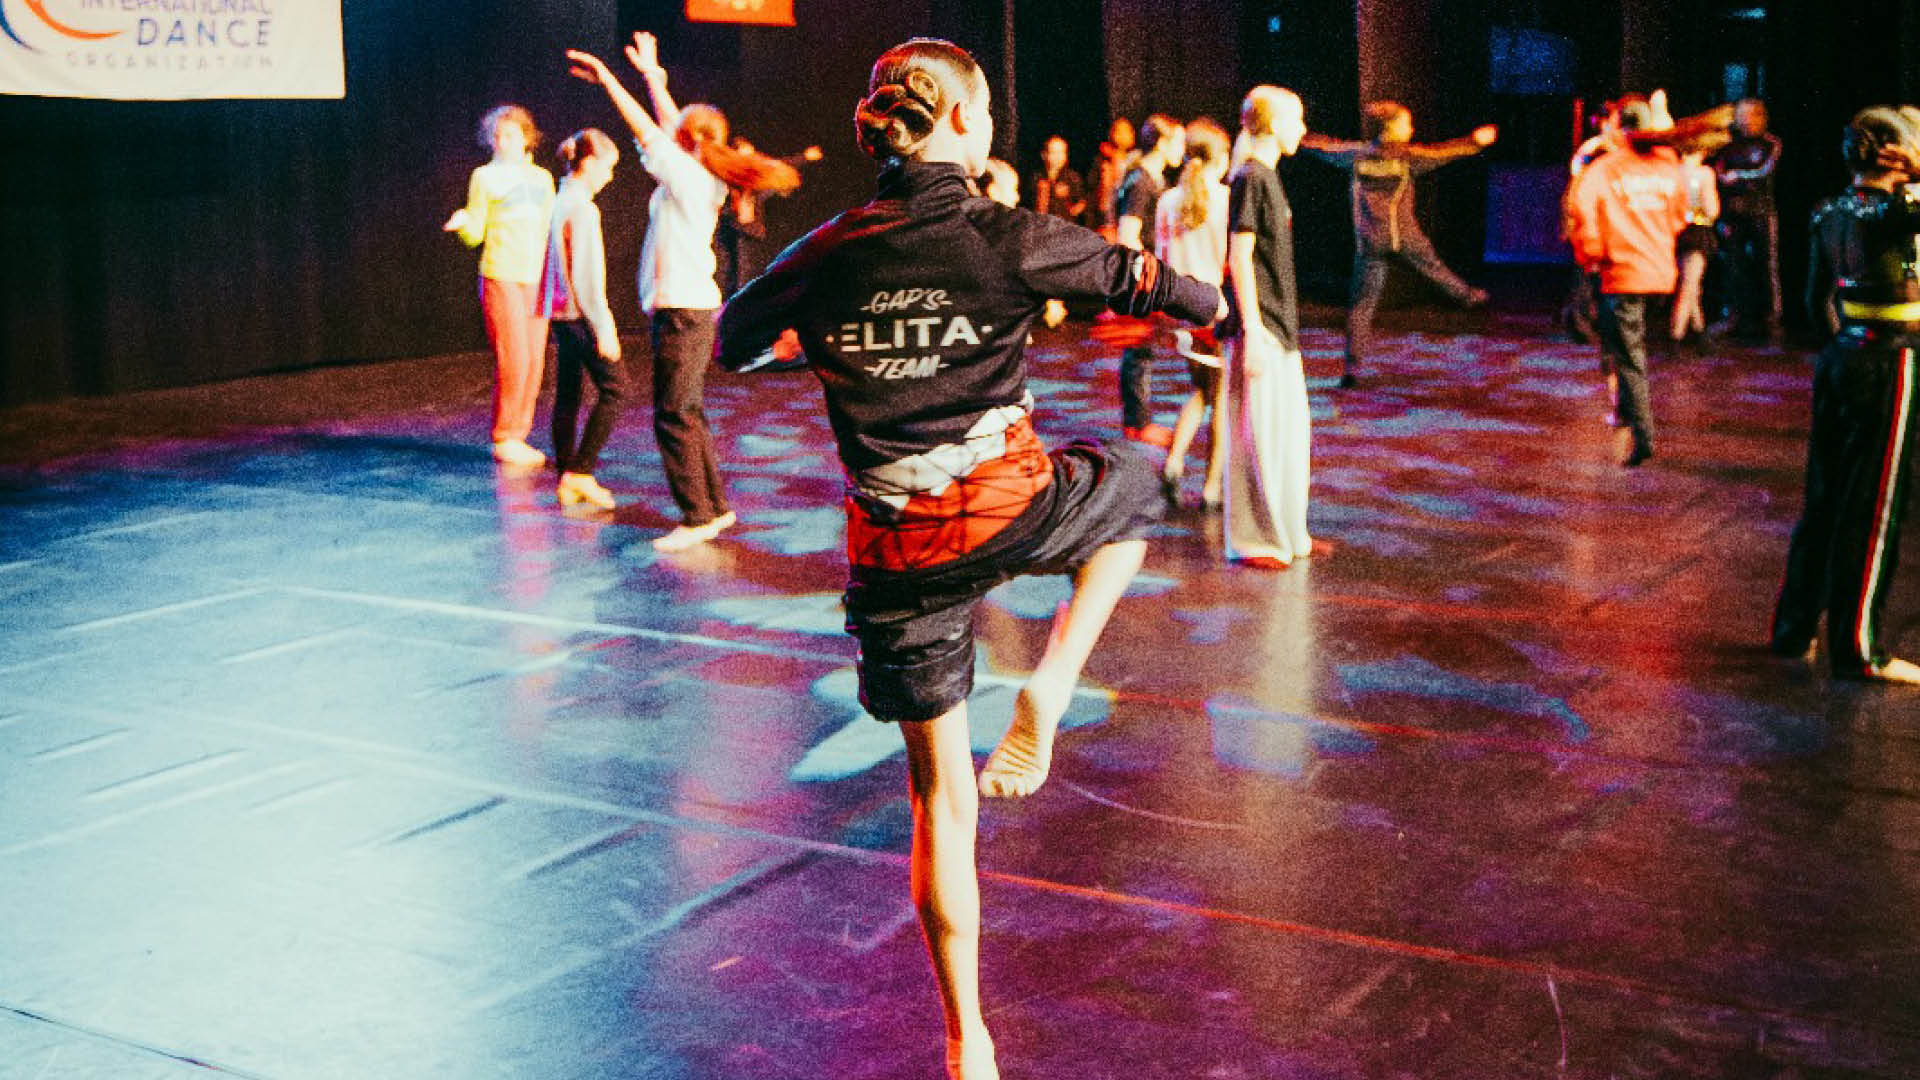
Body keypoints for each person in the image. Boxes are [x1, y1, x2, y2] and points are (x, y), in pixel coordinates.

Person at [712, 39, 1222, 1079]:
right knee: (1132, 484)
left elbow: (733, 342)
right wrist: (1206, 300)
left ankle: (966, 1042)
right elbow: (1161, 289)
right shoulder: (1007, 234)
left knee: (939, 803)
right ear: (959, 120)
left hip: (896, 557)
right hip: (1007, 511)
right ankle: (1053, 680)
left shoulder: (829, 247)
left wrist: (831, 339)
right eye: (986, 116)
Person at [567, 33, 798, 551]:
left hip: (682, 311)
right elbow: (673, 127)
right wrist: (653, 76)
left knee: (673, 414)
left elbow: (648, 129)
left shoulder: (690, 178)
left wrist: (609, 79)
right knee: (687, 411)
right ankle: (713, 508)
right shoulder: (698, 171)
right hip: (689, 309)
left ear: (688, 140)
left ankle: (697, 516)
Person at [1769, 106, 1920, 685]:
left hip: (1841, 356)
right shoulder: (1893, 209)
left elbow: (1817, 301)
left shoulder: (1828, 210)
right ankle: (1859, 649)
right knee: (1876, 505)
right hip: (1890, 358)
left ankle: (1794, 629)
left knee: (1825, 497)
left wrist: (1844, 350)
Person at [1299, 101, 1495, 388]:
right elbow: (1442, 153)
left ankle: (1352, 368)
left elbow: (1326, 148)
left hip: (1370, 241)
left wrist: (1301, 137)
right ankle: (1466, 296)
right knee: (1433, 266)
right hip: (1403, 236)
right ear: (1392, 128)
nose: (1411, 129)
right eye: (1407, 124)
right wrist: (1473, 142)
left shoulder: (1357, 155)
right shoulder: (1407, 157)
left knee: (1362, 305)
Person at [1565, 97, 1687, 467]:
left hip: (1621, 274)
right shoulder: (1669, 167)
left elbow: (1582, 216)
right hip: (1660, 273)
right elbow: (1679, 217)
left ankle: (1643, 434)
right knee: (1631, 349)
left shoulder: (1604, 169)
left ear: (1620, 128)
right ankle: (1628, 416)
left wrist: (1592, 258)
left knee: (1629, 356)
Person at [1223, 86, 1316, 568]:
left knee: (1287, 436)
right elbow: (1239, 258)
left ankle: (1289, 530)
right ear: (1274, 124)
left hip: (1280, 324)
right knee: (1257, 438)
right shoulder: (1251, 178)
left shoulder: (1268, 178)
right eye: (1296, 119)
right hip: (1261, 328)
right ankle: (1256, 539)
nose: (1302, 129)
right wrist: (1253, 331)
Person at [445, 104, 556, 467]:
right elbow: (477, 232)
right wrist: (464, 222)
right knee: (514, 358)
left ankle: (518, 434)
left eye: (510, 134)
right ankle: (505, 435)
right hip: (502, 274)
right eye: (497, 135)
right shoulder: (485, 177)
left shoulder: (542, 179)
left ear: (526, 138)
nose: (502, 141)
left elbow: (549, 228)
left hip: (536, 277)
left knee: (535, 360)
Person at [541, 128, 627, 510]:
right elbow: (587, 276)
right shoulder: (583, 209)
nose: (610, 176)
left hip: (560, 314)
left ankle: (566, 474)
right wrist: (604, 326)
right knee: (617, 389)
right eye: (608, 167)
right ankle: (581, 471)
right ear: (589, 163)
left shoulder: (559, 200)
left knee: (569, 394)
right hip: (579, 314)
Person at [1155, 117, 1233, 508]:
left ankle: (1173, 461)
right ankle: (1211, 487)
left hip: (1180, 309)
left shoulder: (1168, 200)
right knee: (1221, 399)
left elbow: (1161, 257)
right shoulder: (1226, 199)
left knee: (1202, 391)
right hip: (1215, 309)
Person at [1110, 114, 1187, 445]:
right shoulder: (1141, 181)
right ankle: (1137, 423)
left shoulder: (1149, 178)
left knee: (1143, 350)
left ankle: (1138, 420)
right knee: (1138, 352)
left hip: (1147, 273)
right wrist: (1144, 277)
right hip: (1141, 276)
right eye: (1178, 142)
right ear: (1162, 143)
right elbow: (1128, 233)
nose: (1182, 150)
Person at [1711, 99, 1784, 342]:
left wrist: (1739, 175)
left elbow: (1765, 171)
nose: (1745, 120)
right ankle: (1733, 315)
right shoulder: (1728, 144)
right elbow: (1719, 173)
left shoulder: (1770, 143)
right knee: (1732, 265)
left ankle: (1771, 319)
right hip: (1734, 213)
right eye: (1741, 116)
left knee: (1766, 265)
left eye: (1750, 115)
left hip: (1762, 212)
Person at [1671, 134, 1726, 344]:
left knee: (1690, 283)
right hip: (1697, 232)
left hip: (1675, 231)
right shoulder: (1704, 173)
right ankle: (1676, 334)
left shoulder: (1672, 171)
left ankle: (1700, 331)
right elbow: (1712, 210)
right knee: (1690, 285)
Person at [1088, 117, 1137, 239]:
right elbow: (1092, 186)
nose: (1122, 136)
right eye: (1118, 131)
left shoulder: (1134, 160)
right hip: (1106, 217)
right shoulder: (1103, 159)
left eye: (1127, 131)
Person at [1028, 134, 1087, 223]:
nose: (1058, 157)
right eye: (1054, 152)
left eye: (1062, 152)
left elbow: (1083, 200)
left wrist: (1073, 211)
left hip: (1064, 225)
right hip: (1041, 224)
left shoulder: (1072, 177)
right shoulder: (1036, 177)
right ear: (1043, 155)